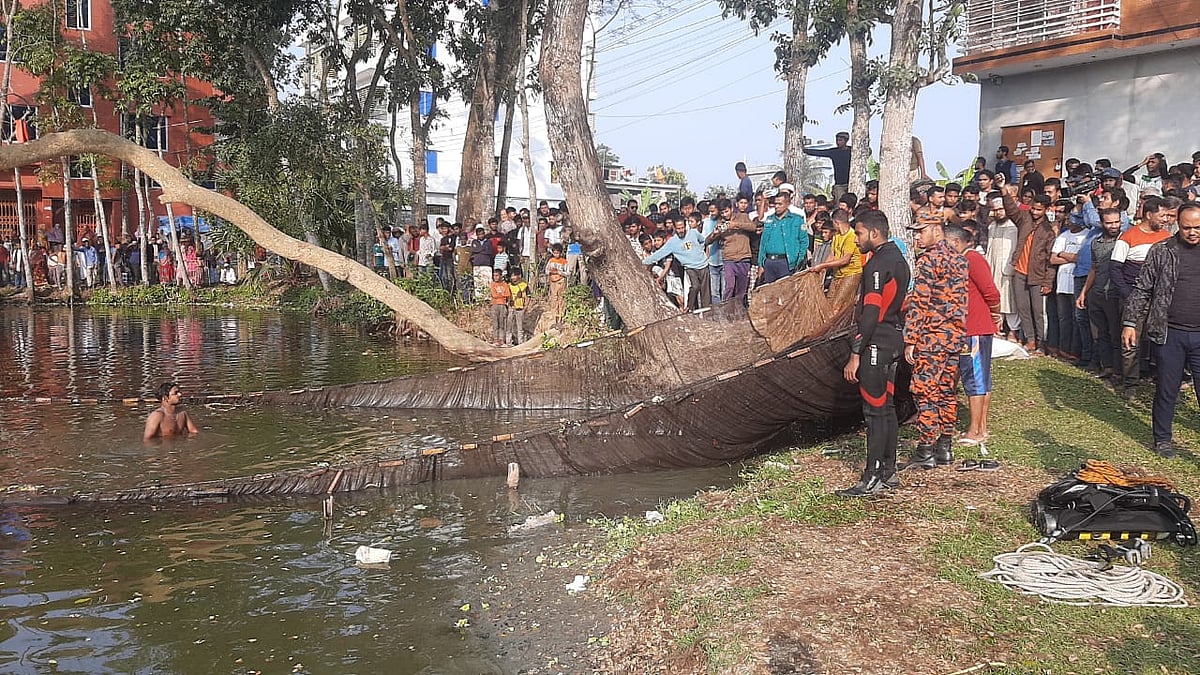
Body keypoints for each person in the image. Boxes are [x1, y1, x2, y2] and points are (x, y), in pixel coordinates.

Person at [835, 210, 910, 497]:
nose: (856, 240)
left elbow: (871, 313)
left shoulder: (878, 264)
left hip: (877, 343)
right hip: (894, 340)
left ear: (874, 233)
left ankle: (872, 476)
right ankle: (888, 471)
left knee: (874, 411)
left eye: (860, 234)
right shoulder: (899, 259)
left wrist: (856, 352)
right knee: (887, 407)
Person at [1121, 203, 1200, 458]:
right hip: (1169, 333)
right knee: (1167, 389)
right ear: (1177, 224)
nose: (1192, 232)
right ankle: (1163, 439)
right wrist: (1130, 322)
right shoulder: (1162, 251)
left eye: (1198, 227)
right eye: (1187, 227)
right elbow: (1143, 288)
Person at [901, 209, 969, 470]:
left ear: (936, 231)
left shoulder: (929, 261)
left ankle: (926, 448)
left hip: (931, 339)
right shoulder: (960, 260)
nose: (917, 237)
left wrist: (911, 339)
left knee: (924, 392)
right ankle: (945, 444)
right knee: (946, 391)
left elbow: (919, 304)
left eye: (920, 231)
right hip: (953, 338)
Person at [944, 224, 1001, 447]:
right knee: (981, 379)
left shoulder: (972, 259)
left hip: (974, 329)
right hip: (972, 328)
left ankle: (976, 429)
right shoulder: (963, 260)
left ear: (956, 243)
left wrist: (995, 314)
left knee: (975, 380)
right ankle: (981, 427)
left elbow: (990, 291)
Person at [756, 191, 808, 284]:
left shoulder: (797, 220)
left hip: (786, 262)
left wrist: (798, 261)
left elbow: (804, 242)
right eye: (775, 203)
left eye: (780, 204)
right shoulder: (769, 219)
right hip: (769, 262)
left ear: (787, 204)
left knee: (785, 293)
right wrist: (761, 264)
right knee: (770, 293)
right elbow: (763, 243)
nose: (777, 206)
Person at [806, 209, 861, 281]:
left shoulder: (851, 236)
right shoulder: (836, 235)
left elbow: (845, 260)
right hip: (837, 275)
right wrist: (822, 268)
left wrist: (823, 265)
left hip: (851, 275)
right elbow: (832, 255)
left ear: (836, 223)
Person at [804, 131, 851, 198]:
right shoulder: (834, 152)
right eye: (837, 140)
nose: (838, 142)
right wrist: (805, 150)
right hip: (839, 184)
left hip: (851, 182)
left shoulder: (852, 151)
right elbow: (820, 152)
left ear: (846, 140)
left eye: (840, 140)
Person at [545, 243, 569, 327]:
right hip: (553, 282)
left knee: (561, 299)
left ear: (561, 253)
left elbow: (568, 273)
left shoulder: (564, 261)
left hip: (561, 281)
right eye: (554, 253)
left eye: (557, 253)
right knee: (554, 299)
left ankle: (561, 318)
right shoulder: (551, 261)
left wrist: (558, 272)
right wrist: (551, 272)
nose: (556, 255)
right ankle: (554, 318)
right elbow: (546, 271)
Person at [488, 268, 511, 345]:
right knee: (495, 324)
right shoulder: (492, 284)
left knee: (502, 323)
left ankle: (501, 339)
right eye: (494, 276)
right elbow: (494, 295)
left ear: (501, 276)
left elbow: (508, 294)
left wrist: (500, 295)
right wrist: (502, 295)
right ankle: (495, 339)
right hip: (494, 305)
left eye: (497, 275)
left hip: (503, 305)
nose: (495, 277)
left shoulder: (505, 284)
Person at [507, 267, 528, 345]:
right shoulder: (508, 286)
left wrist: (526, 306)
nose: (513, 277)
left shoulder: (524, 285)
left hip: (520, 308)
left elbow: (527, 297)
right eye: (511, 276)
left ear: (519, 276)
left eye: (514, 275)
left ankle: (521, 343)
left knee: (520, 327)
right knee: (509, 326)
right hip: (511, 307)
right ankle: (508, 342)